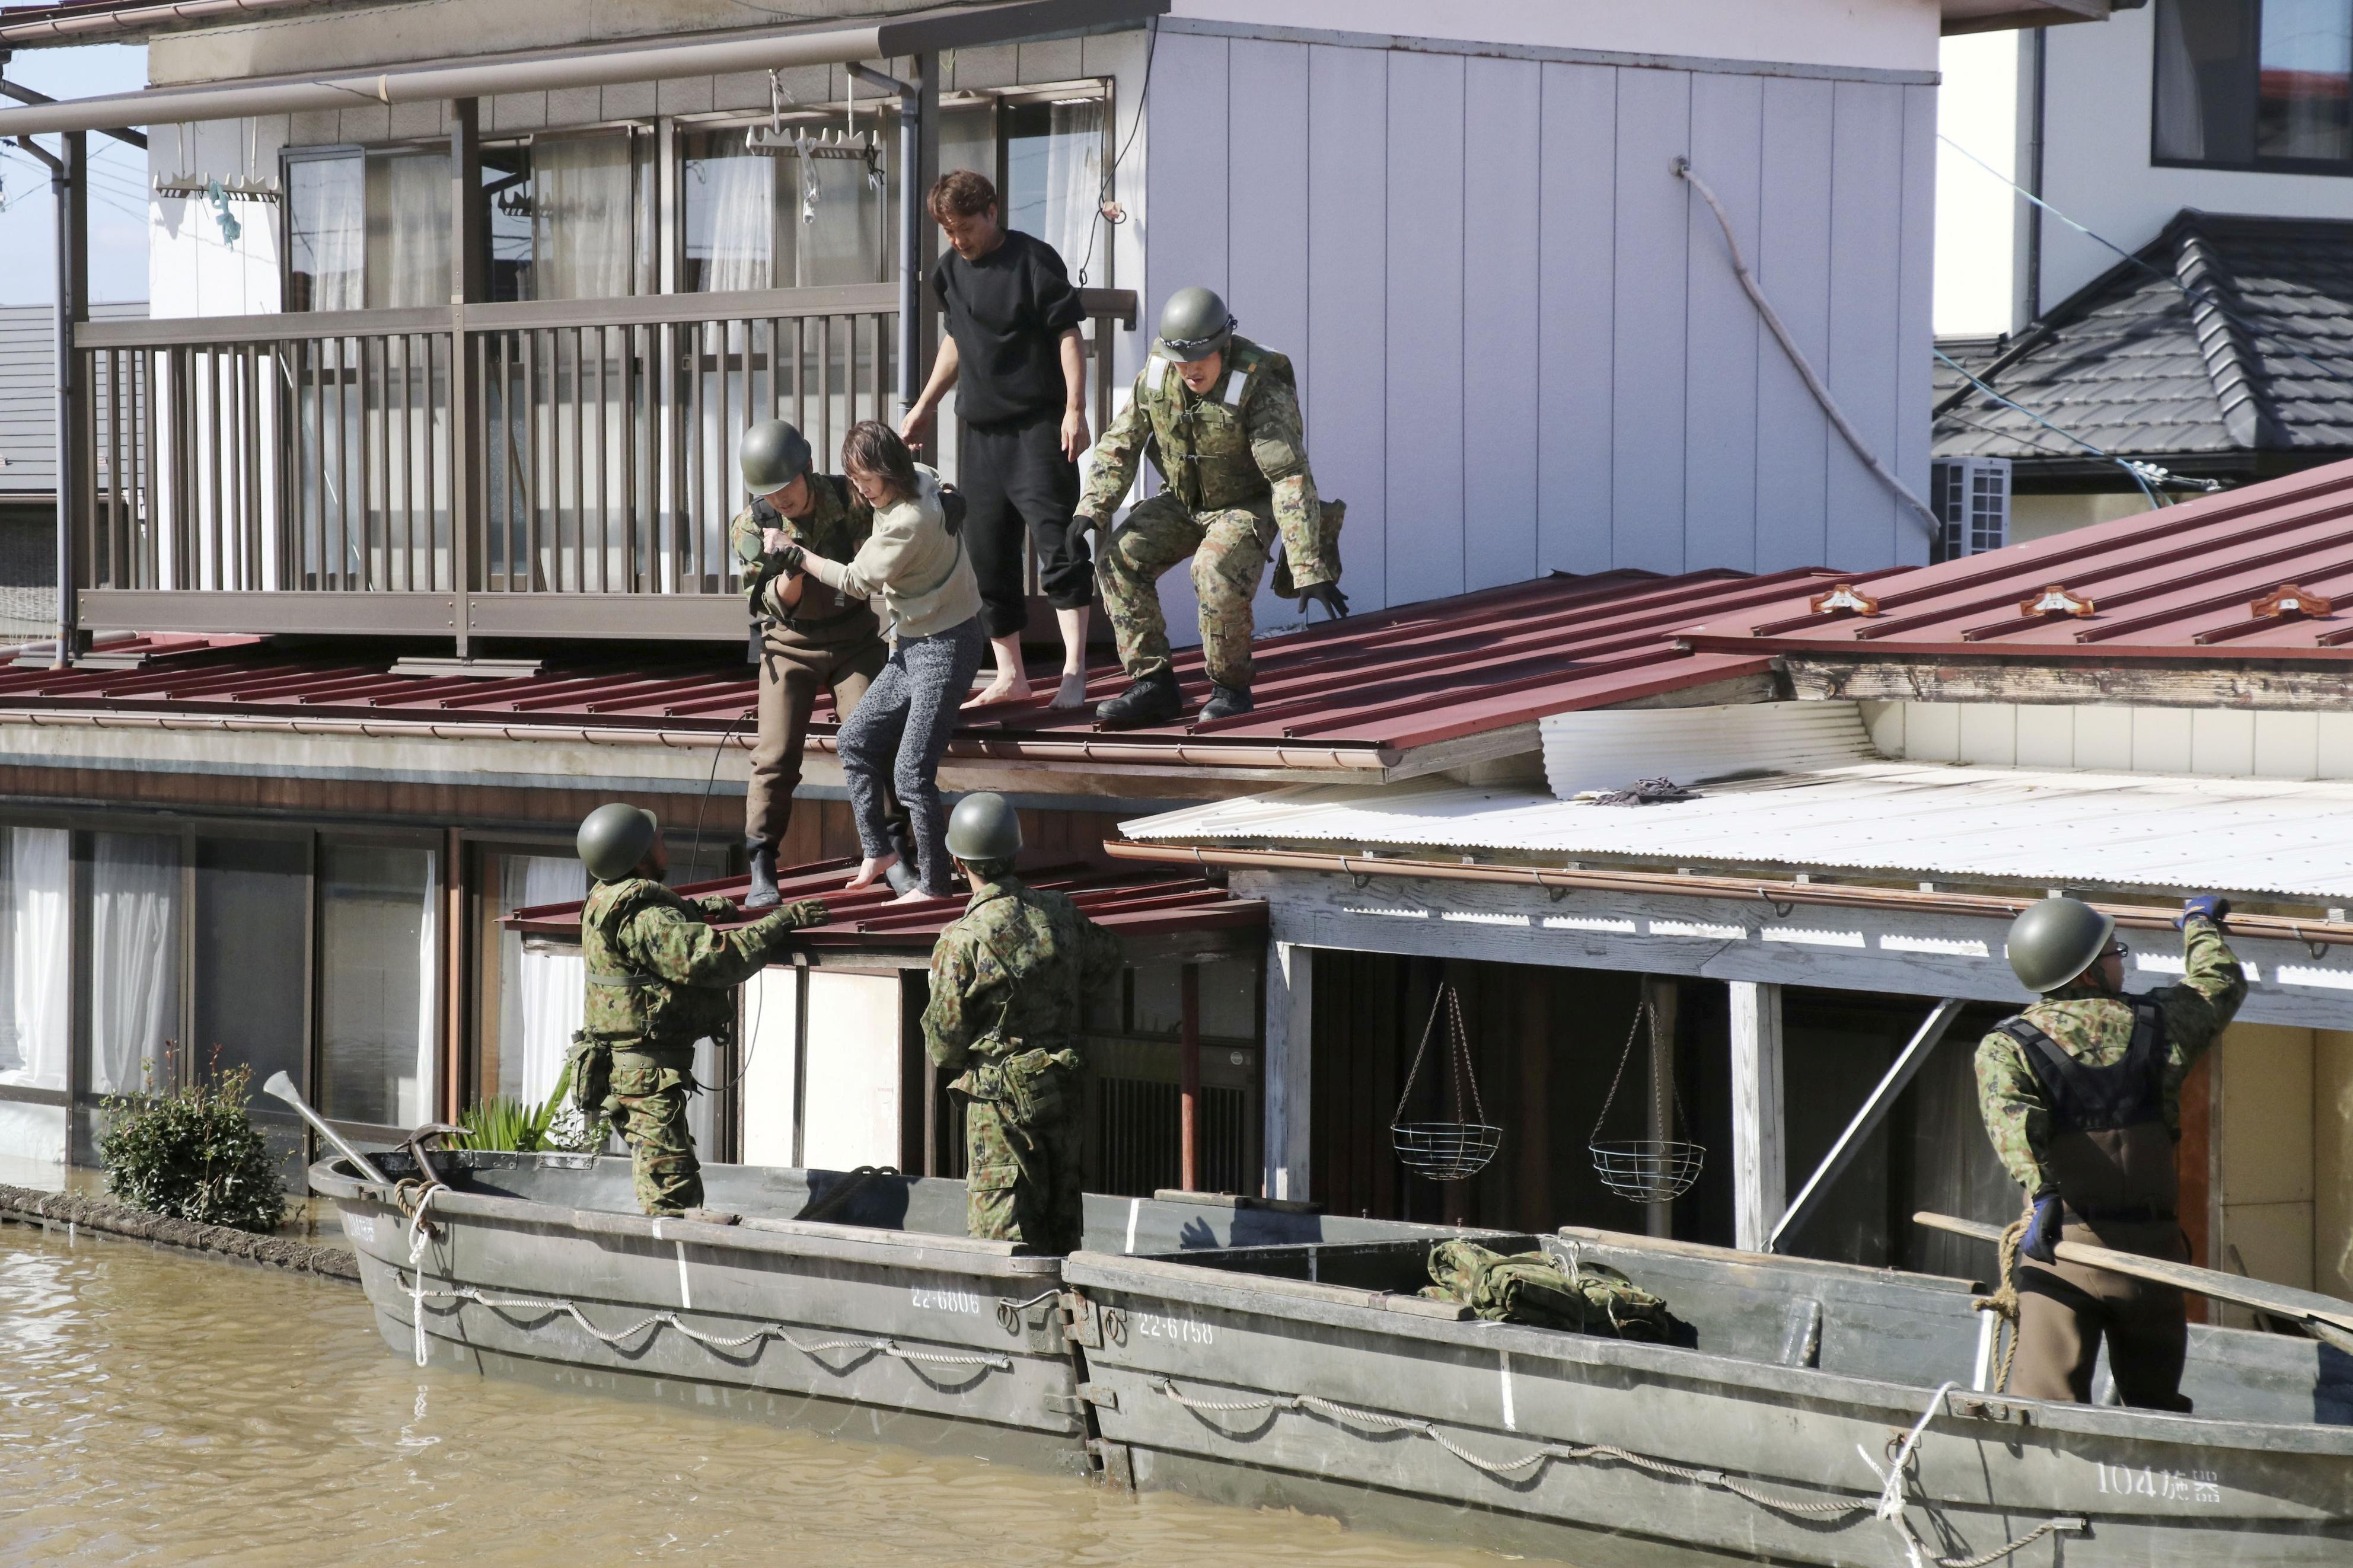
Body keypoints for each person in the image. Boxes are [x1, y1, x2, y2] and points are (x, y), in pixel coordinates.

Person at [1975, 893, 2246, 1409]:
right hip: (2153, 1260)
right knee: (2155, 1411)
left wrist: (2043, 1190)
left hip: (2062, 1250)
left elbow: (2009, 1120)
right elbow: (2220, 982)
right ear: (2088, 971)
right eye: (2113, 951)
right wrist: (2198, 925)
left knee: (2043, 1412)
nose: (2121, 959)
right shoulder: (2161, 1021)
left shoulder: (2007, 1045)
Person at [1079, 285, 1349, 730]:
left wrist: (1306, 564)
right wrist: (1091, 508)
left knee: (1214, 568)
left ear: (1222, 345)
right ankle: (1153, 684)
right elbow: (1121, 442)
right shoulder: (1159, 375)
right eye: (1181, 360)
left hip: (1245, 504)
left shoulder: (1260, 382)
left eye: (1200, 359)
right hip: (1185, 500)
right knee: (1118, 557)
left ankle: (1231, 688)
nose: (1189, 370)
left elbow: (1288, 476)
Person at [572, 802, 829, 1216]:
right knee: (673, 1197)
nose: (664, 844)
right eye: (657, 841)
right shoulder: (644, 914)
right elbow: (714, 959)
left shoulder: (606, 896)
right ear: (639, 859)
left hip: (632, 1072)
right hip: (645, 1080)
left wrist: (693, 911)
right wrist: (780, 922)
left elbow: (658, 939)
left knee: (667, 1181)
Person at [900, 169, 1093, 711]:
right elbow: (957, 341)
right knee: (987, 555)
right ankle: (1012, 674)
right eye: (949, 230)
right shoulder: (949, 273)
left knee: (1060, 545)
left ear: (992, 211)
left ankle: (1075, 672)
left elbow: (1069, 335)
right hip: (980, 433)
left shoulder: (1034, 260)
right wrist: (923, 407)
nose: (958, 239)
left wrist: (1075, 409)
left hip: (1038, 427)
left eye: (964, 227)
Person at [767, 421, 985, 902]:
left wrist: (796, 554)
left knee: (911, 771)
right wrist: (950, 489)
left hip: (948, 645)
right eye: (856, 479)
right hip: (912, 642)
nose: (860, 491)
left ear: (889, 471)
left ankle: (933, 886)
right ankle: (880, 850)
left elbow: (854, 580)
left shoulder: (910, 519)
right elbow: (933, 474)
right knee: (856, 738)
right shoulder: (919, 477)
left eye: (867, 480)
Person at [922, 792, 1123, 1254]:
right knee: (1062, 1242)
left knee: (1003, 1254)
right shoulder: (1061, 914)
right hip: (1062, 1100)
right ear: (1014, 852)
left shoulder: (963, 940)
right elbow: (1107, 963)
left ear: (958, 861)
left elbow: (945, 1046)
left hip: (1002, 1118)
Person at [728, 418, 913, 906]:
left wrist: (944, 495)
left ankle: (895, 851)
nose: (781, 499)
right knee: (775, 755)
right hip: (789, 645)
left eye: (786, 486)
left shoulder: (850, 497)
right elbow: (767, 603)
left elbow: (902, 502)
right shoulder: (753, 525)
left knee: (874, 738)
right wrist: (793, 569)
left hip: (854, 638)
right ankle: (763, 863)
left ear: (807, 467)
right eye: (768, 492)